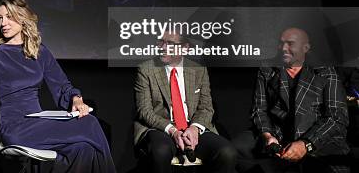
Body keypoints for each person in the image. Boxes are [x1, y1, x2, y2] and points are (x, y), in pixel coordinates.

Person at [0, 0, 116, 172]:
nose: (3, 23)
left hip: (39, 121)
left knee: (83, 149)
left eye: (9, 17)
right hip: (15, 127)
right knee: (91, 124)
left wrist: (76, 99)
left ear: (23, 19)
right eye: (0, 18)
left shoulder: (40, 52)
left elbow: (62, 86)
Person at [233, 27, 349, 173]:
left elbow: (337, 118)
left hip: (316, 138)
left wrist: (306, 144)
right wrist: (268, 136)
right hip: (279, 135)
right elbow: (259, 110)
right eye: (281, 43)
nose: (283, 48)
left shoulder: (325, 72)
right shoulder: (267, 69)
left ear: (306, 47)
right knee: (235, 148)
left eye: (290, 43)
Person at [133, 32, 237, 173]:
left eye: (169, 43)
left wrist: (194, 129)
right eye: (161, 42)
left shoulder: (198, 70)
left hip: (193, 128)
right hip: (161, 128)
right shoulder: (146, 69)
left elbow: (206, 107)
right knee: (160, 152)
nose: (163, 47)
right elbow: (144, 111)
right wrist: (173, 130)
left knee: (227, 152)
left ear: (185, 48)